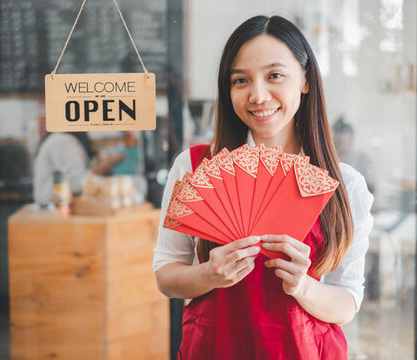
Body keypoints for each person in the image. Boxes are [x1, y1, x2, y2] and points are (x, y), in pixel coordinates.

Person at [153, 15, 374, 359]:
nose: (258, 95)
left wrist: (303, 287)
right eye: (240, 80)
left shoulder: (346, 185)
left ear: (305, 80)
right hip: (215, 348)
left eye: (275, 76)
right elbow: (167, 275)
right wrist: (208, 274)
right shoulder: (194, 166)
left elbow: (347, 302)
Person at [33, 132, 125, 205]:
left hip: (57, 206)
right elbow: (78, 183)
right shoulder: (63, 141)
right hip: (52, 207)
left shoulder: (66, 140)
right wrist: (105, 165)